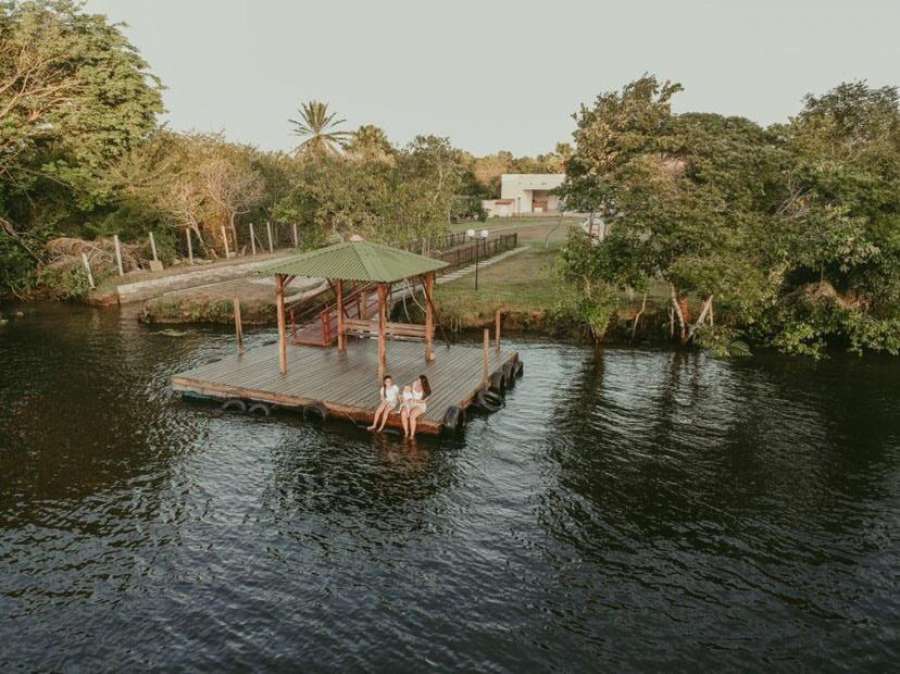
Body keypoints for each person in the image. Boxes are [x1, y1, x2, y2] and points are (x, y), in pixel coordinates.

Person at [401, 374, 431, 439]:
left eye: (419, 381)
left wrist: (414, 400)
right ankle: (406, 432)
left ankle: (412, 435)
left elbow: (423, 401)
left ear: (423, 383)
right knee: (403, 413)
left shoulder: (426, 390)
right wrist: (406, 392)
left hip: (420, 405)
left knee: (412, 415)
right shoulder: (414, 383)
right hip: (411, 402)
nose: (417, 382)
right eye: (417, 380)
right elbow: (410, 392)